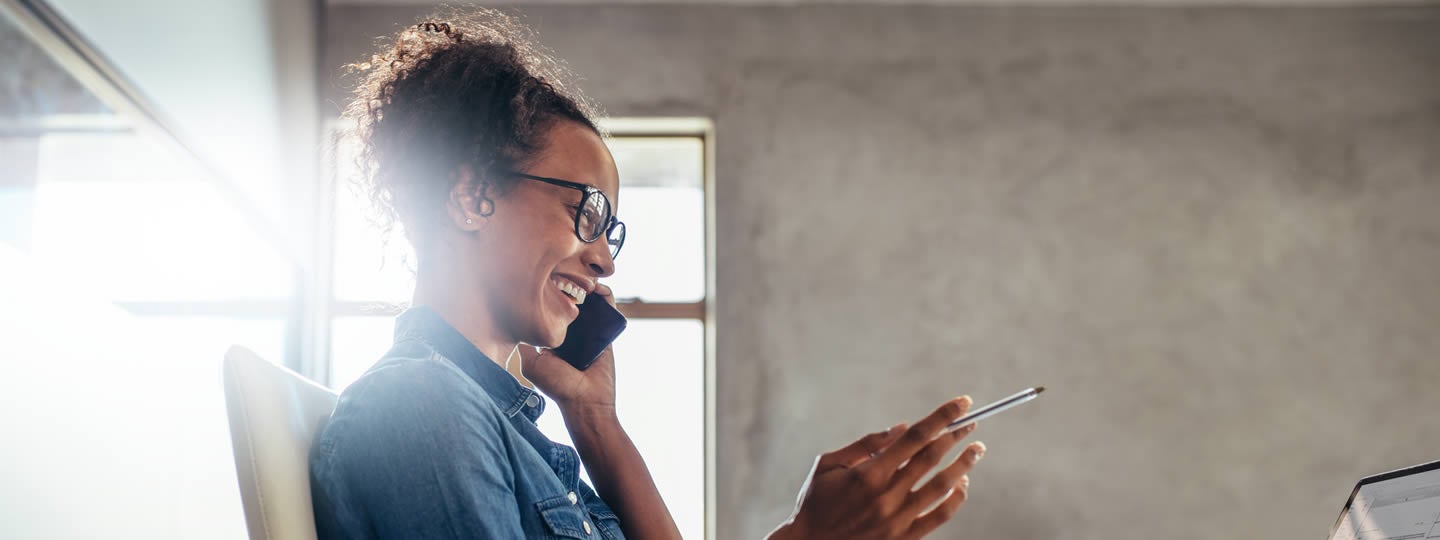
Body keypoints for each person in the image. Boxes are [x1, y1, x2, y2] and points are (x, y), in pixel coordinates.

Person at [308, 9, 987, 539]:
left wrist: (598, 424)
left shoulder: (509, 430)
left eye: (613, 232)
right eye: (588, 212)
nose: (605, 259)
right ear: (469, 196)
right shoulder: (422, 408)